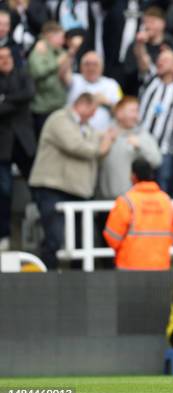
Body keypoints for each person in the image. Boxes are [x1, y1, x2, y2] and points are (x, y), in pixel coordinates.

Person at [29, 93, 116, 269]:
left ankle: (77, 281)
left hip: (78, 191)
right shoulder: (59, 119)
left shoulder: (87, 127)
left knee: (81, 242)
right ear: (83, 104)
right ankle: (46, 279)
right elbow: (76, 146)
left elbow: (94, 140)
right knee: (54, 237)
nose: (93, 115)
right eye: (93, 110)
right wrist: (103, 147)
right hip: (52, 188)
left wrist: (105, 139)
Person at [135, 40, 173, 196]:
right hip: (139, 144)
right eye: (159, 59)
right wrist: (140, 43)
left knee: (161, 188)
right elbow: (142, 59)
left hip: (164, 149)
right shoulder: (151, 79)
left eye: (166, 60)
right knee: (136, 186)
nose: (160, 61)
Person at [103, 158, 173, 271]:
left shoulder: (126, 201)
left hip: (129, 266)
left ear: (133, 176)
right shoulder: (166, 201)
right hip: (160, 266)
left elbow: (112, 236)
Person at [0, 45, 36, 250]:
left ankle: (39, 226)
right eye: (0, 57)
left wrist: (5, 99)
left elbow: (29, 94)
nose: (4, 60)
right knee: (3, 192)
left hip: (24, 142)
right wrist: (16, 100)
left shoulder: (23, 75)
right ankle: (4, 234)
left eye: (7, 57)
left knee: (37, 186)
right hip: (3, 146)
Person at [97, 96, 161, 200]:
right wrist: (106, 142)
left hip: (131, 201)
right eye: (132, 111)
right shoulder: (105, 133)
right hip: (104, 201)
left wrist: (140, 145)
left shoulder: (143, 136)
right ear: (119, 112)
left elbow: (157, 161)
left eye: (137, 111)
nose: (136, 116)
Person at [28, 21, 76, 138]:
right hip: (43, 107)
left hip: (59, 106)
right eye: (60, 36)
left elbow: (68, 80)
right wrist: (57, 63)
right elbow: (37, 72)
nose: (63, 40)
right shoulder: (40, 50)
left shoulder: (61, 52)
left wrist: (68, 61)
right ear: (50, 36)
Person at [122, 6, 173, 96]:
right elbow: (129, 72)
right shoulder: (135, 45)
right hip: (139, 90)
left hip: (169, 92)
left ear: (163, 23)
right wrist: (140, 45)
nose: (148, 26)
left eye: (152, 22)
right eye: (145, 22)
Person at [66, 51, 123, 132]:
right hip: (75, 133)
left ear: (102, 67)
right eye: (87, 64)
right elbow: (62, 73)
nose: (91, 68)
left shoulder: (112, 84)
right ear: (80, 66)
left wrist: (107, 103)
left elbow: (122, 112)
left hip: (103, 135)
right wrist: (71, 52)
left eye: (95, 64)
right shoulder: (74, 79)